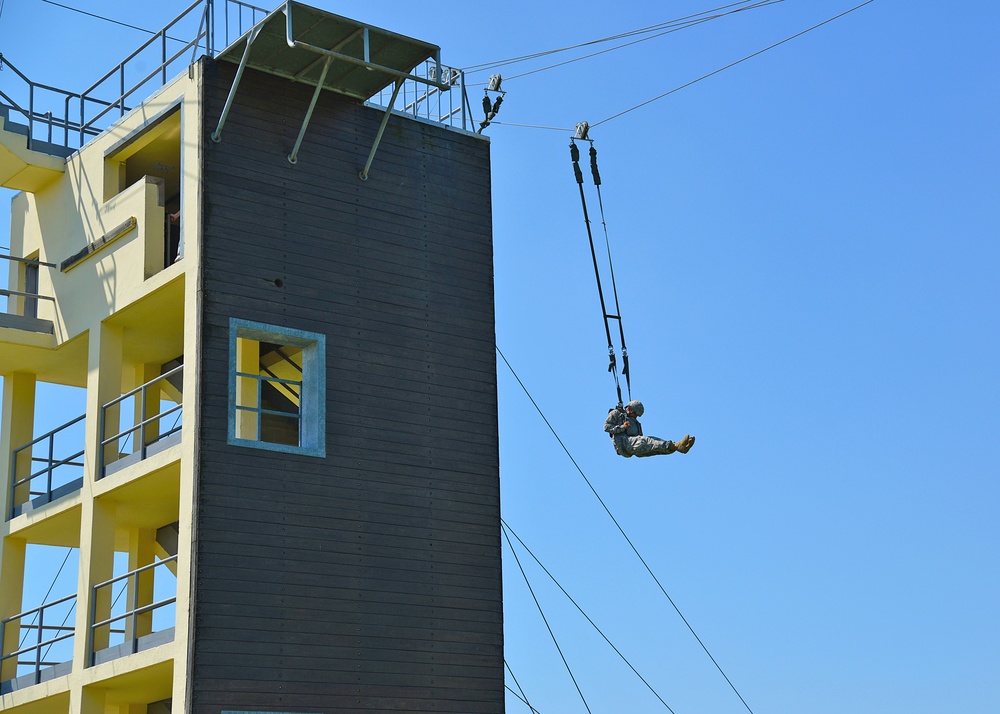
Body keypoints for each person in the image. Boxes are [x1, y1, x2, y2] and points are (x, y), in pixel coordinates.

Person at [604, 400, 694, 458]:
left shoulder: (636, 423)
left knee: (654, 446)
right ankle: (676, 446)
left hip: (632, 448)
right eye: (635, 414)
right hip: (623, 444)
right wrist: (623, 427)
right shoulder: (617, 414)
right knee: (647, 440)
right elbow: (606, 427)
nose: (635, 417)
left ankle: (678, 447)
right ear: (630, 410)